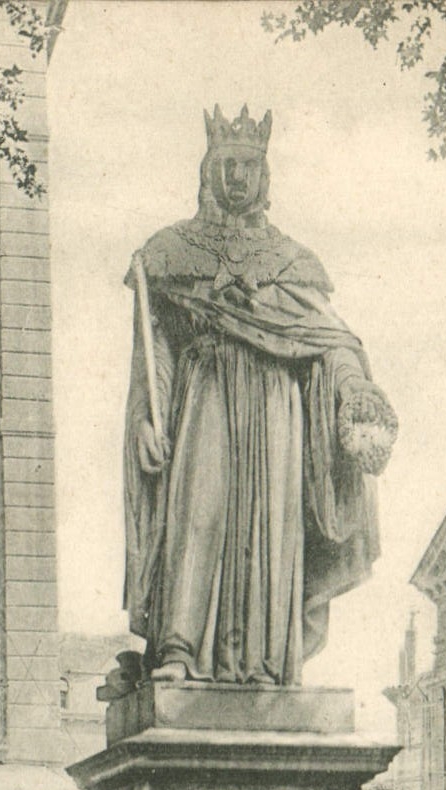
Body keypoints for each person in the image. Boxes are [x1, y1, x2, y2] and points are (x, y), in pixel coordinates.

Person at [123, 105, 397, 686]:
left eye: (249, 165)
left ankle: (268, 665)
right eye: (228, 165)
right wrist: (150, 417)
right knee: (200, 510)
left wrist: (354, 391)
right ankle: (180, 650)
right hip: (207, 396)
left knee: (273, 527)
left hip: (277, 407)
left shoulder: (292, 261)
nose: (239, 178)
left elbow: (330, 338)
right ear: (208, 171)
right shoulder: (170, 252)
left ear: (264, 175)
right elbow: (157, 353)